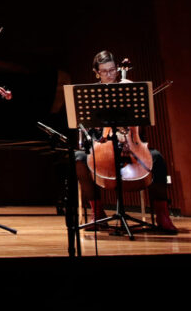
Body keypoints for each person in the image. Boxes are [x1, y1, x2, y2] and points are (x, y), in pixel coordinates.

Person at [74, 50, 178, 234]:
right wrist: (97, 129)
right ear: (96, 72)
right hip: (102, 144)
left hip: (131, 143)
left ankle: (163, 215)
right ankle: (97, 214)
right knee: (78, 159)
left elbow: (141, 122)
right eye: (104, 71)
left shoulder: (129, 87)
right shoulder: (92, 94)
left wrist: (127, 133)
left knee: (158, 158)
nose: (110, 74)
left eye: (113, 70)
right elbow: (87, 128)